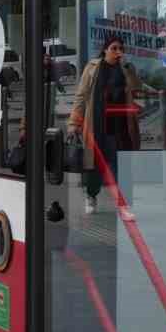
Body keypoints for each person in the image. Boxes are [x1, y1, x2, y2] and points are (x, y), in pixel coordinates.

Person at [69, 35, 143, 215]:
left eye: (120, 49)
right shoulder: (93, 67)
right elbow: (81, 96)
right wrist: (74, 123)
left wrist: (127, 70)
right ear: (105, 49)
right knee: (94, 164)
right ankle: (91, 195)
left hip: (120, 125)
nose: (118, 52)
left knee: (122, 165)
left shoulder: (126, 68)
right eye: (114, 48)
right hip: (97, 123)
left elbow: (136, 88)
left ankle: (124, 205)